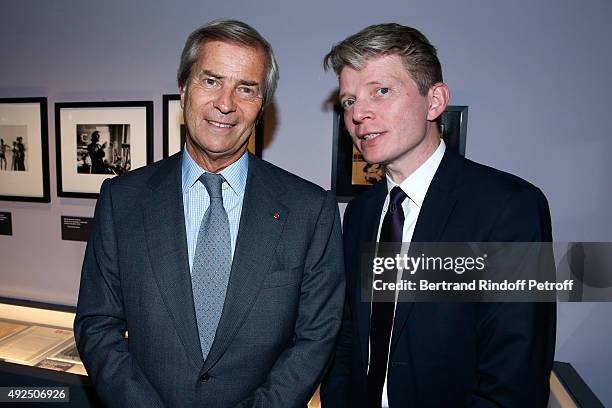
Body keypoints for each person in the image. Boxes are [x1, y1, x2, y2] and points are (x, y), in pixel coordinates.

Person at [74, 19, 345, 407]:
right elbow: (96, 325)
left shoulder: (309, 210)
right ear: (184, 89)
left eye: (246, 88)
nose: (226, 103)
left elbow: (317, 336)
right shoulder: (123, 200)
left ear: (262, 106)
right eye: (211, 81)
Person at [320, 23, 556, 407]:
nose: (359, 112)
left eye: (381, 91)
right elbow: (349, 335)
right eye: (348, 101)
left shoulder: (510, 208)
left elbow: (515, 377)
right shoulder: (361, 213)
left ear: (435, 101)